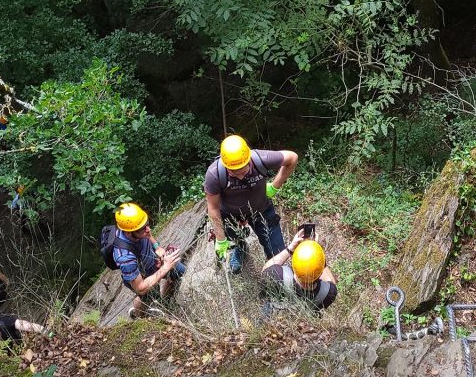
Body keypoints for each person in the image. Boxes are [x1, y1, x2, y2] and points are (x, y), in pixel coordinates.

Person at [204, 135, 298, 274]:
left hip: (261, 210)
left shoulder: (262, 159)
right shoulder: (215, 174)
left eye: (243, 170)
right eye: (234, 172)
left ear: (249, 160)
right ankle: (239, 246)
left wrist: (274, 186)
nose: (240, 176)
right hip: (230, 215)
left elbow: (292, 158)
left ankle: (275, 278)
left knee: (278, 253)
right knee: (232, 236)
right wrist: (221, 239)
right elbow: (213, 207)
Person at [111, 202, 185, 317]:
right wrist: (165, 268)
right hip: (140, 278)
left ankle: (165, 303)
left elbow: (148, 235)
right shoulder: (125, 257)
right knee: (148, 297)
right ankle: (136, 314)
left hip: (152, 264)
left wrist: (157, 247)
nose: (148, 229)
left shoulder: (135, 227)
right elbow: (140, 288)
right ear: (130, 232)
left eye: (147, 224)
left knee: (179, 271)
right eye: (143, 228)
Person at [259, 230, 338, 311]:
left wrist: (290, 249)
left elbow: (264, 271)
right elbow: (332, 283)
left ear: (293, 263)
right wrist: (319, 255)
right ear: (320, 272)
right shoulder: (327, 294)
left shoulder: (277, 275)